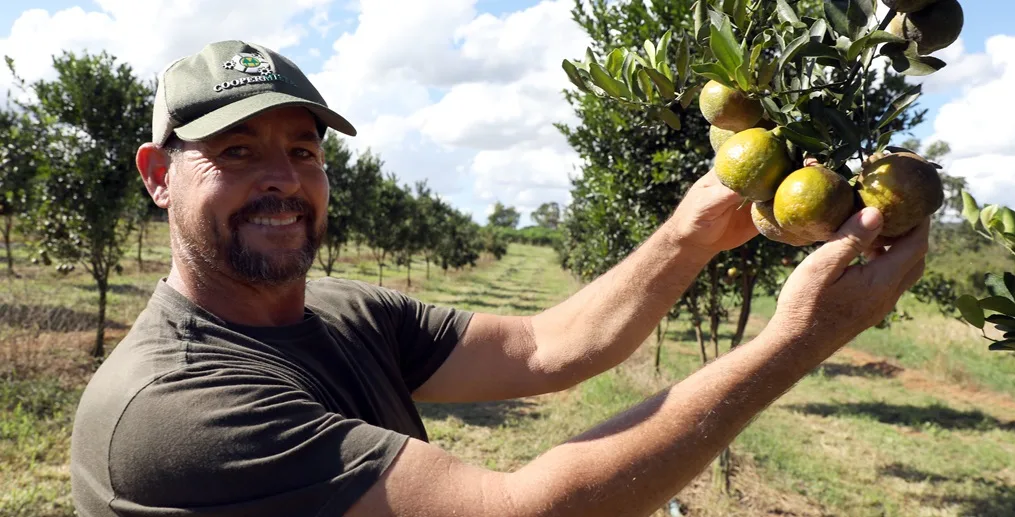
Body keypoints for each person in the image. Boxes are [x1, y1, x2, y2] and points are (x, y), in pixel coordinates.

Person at [70, 40, 928, 517]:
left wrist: (694, 228)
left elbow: (543, 345)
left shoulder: (338, 310)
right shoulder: (172, 409)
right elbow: (518, 513)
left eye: (302, 151)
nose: (283, 180)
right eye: (234, 151)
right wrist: (798, 340)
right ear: (155, 173)